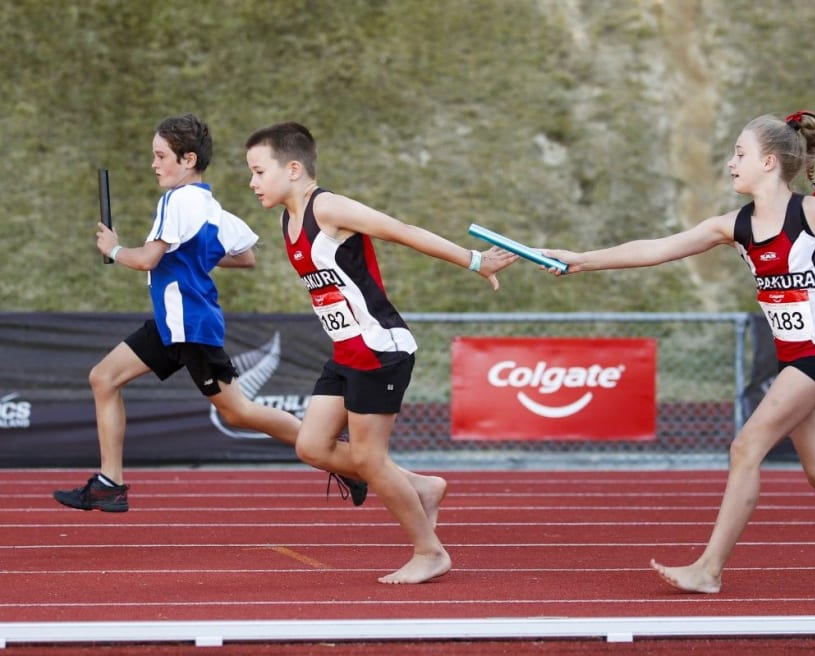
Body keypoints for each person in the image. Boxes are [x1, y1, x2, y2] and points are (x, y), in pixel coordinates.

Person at [540, 110, 815, 593]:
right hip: (793, 359)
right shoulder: (734, 226)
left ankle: (708, 569)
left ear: (769, 162)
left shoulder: (814, 213)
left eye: (739, 153)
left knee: (745, 448)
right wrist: (583, 260)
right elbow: (655, 249)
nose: (731, 163)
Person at [244, 122, 518, 584]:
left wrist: (473, 260)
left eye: (257, 172)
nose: (251, 183)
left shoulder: (327, 207)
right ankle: (420, 485)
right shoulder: (286, 219)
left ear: (293, 169)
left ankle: (429, 552)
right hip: (346, 351)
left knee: (370, 459)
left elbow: (401, 230)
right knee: (311, 446)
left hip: (379, 348)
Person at [53, 114, 368, 513]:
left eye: (160, 155)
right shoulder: (208, 205)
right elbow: (245, 256)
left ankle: (342, 460)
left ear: (187, 160)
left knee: (240, 413)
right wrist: (193, 258)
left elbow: (148, 259)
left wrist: (114, 249)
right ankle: (109, 483)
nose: (154, 165)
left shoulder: (177, 200)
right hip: (173, 321)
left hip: (189, 324)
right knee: (104, 377)